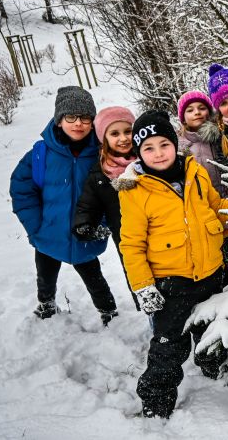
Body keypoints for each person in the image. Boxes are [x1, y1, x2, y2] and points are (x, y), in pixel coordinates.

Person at [117, 110, 228, 418]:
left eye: (163, 144)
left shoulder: (195, 171)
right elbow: (132, 245)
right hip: (170, 283)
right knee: (169, 346)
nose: (158, 153)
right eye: (148, 148)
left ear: (175, 144)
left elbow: (215, 205)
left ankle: (214, 367)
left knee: (210, 329)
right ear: (139, 153)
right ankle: (156, 402)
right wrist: (143, 286)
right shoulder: (135, 190)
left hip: (211, 271)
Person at [10, 86, 117, 324]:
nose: (78, 123)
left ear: (93, 121)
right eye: (71, 117)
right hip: (48, 234)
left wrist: (100, 225)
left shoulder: (102, 153)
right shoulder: (41, 154)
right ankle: (46, 304)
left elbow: (114, 196)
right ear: (59, 120)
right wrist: (36, 226)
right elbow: (21, 188)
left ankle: (108, 311)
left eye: (85, 117)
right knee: (45, 275)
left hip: (84, 234)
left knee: (93, 276)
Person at [177, 89, 228, 284]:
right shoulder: (180, 148)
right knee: (227, 267)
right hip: (209, 216)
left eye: (202, 108)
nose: (197, 112)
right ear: (183, 117)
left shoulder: (220, 135)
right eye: (190, 110)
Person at [73, 106, 139, 309]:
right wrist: (84, 223)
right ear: (104, 138)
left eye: (128, 131)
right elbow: (88, 204)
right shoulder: (99, 174)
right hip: (128, 240)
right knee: (141, 281)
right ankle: (155, 323)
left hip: (163, 232)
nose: (123, 138)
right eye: (114, 133)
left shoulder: (149, 159)